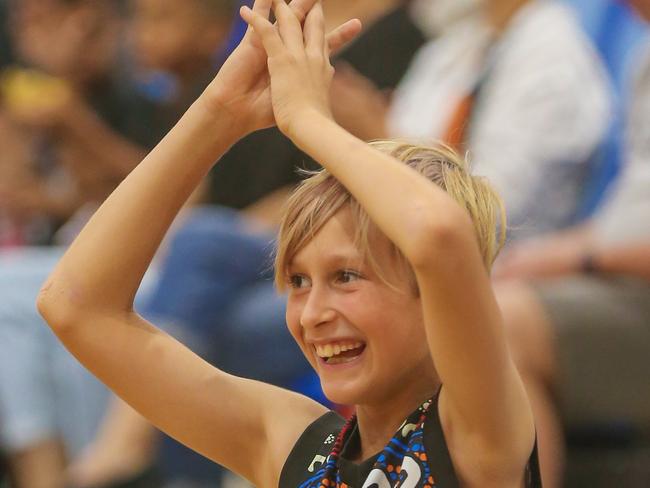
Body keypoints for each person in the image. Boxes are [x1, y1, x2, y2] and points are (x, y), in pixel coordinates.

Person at [37, 2, 540, 488]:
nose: (312, 313)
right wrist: (218, 112)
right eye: (298, 281)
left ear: (431, 290)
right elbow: (76, 307)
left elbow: (441, 236)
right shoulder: (289, 443)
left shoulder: (476, 432)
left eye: (345, 276)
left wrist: (307, 120)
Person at [493, 2, 650, 486]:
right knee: (459, 292)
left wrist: (575, 258)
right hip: (622, 277)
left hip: (633, 284)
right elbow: (628, 214)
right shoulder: (644, 56)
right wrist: (536, 259)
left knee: (495, 319)